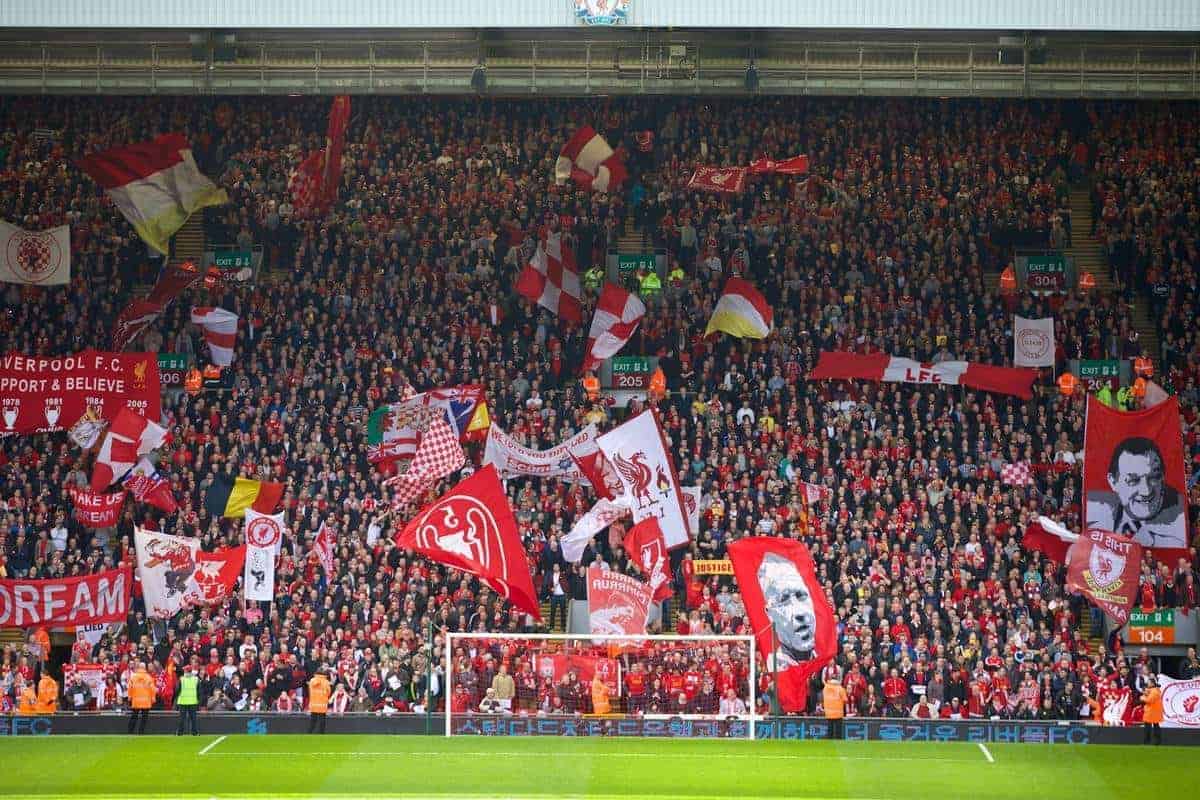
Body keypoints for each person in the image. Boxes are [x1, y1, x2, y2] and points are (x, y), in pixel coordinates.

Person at [1086, 437, 1187, 548]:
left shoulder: (1178, 538)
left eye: (1153, 478)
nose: (1146, 491)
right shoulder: (1093, 524)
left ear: (1163, 477)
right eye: (1133, 480)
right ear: (1113, 481)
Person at [758, 553, 818, 666]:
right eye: (784, 600)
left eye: (801, 595)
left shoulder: (825, 656)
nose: (799, 612)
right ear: (769, 614)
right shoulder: (773, 668)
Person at [127, 662, 156, 735]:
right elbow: (152, 689)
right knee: (144, 718)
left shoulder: (133, 677)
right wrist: (153, 698)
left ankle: (130, 732)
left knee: (134, 717)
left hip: (136, 701)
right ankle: (141, 733)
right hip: (146, 701)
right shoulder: (148, 677)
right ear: (145, 668)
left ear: (139, 667)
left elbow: (130, 687)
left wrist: (130, 697)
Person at [175, 666, 200, 736]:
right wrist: (198, 700)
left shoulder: (181, 679)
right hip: (193, 701)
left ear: (186, 671)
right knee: (193, 718)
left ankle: (180, 733)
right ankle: (195, 732)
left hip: (183, 701)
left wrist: (177, 699)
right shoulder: (196, 679)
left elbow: (177, 691)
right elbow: (199, 691)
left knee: (182, 718)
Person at [822, 675, 848, 740]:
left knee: (830, 730)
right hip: (838, 713)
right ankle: (838, 742)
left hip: (828, 713)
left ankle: (829, 742)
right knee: (838, 731)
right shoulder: (840, 688)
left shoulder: (825, 688)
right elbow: (845, 700)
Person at [307, 667, 332, 734]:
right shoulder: (326, 682)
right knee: (322, 720)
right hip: (322, 704)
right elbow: (329, 692)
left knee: (313, 720)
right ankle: (321, 733)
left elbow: (309, 690)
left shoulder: (312, 680)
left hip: (314, 703)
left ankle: (309, 733)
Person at [1141, 677, 1163, 745]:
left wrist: (1142, 697)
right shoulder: (1154, 691)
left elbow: (1149, 700)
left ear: (1152, 683)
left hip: (1152, 712)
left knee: (1148, 728)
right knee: (1155, 726)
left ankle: (1148, 742)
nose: (1147, 683)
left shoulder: (1154, 691)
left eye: (1149, 682)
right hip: (1152, 711)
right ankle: (1155, 742)